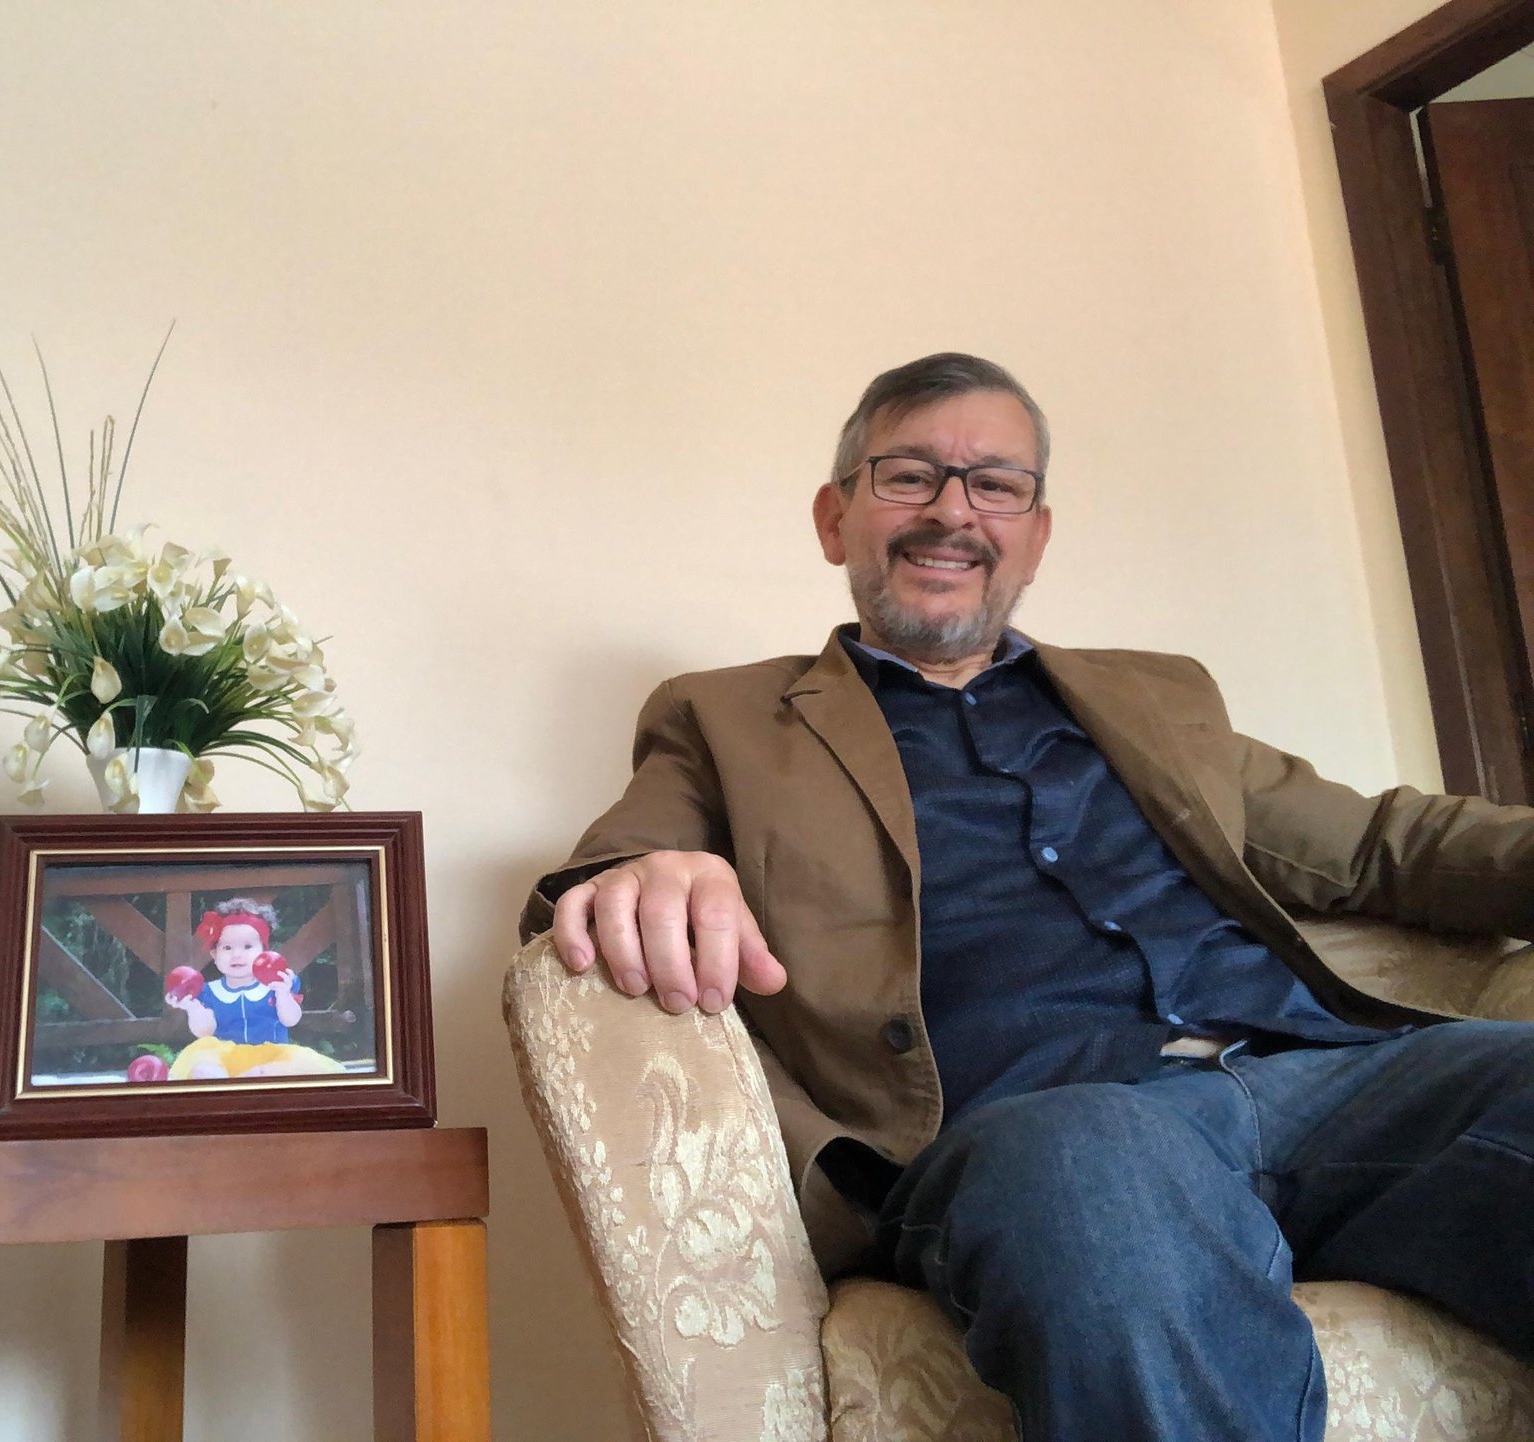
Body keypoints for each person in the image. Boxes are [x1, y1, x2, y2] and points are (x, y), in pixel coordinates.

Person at [527, 353, 1534, 1442]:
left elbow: (1388, 844)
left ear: (1036, 534)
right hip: (1048, 1130)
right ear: (837, 517)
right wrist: (654, 869)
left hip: (1327, 1085)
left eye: (995, 484)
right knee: (1094, 1168)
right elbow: (607, 870)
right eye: (908, 474)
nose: (952, 510)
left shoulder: (1162, 697)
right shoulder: (726, 719)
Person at [168, 900, 302, 1046]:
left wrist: (283, 994)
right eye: (227, 948)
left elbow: (291, 1020)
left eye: (247, 946)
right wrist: (193, 1008)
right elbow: (204, 1032)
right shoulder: (207, 992)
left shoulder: (277, 985)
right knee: (204, 1068)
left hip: (272, 1059)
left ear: (264, 951)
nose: (236, 954)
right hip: (225, 1059)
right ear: (214, 954)